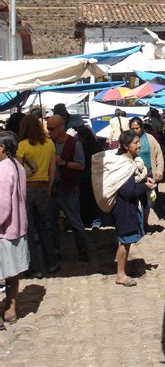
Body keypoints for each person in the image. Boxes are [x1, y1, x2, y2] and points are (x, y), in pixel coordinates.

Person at [113, 130, 156, 287]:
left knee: (127, 240)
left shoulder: (129, 162)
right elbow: (128, 192)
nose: (139, 145)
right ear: (126, 146)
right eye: (135, 143)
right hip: (125, 208)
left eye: (139, 142)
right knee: (125, 240)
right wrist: (145, 186)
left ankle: (123, 269)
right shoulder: (125, 165)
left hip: (127, 207)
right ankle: (120, 274)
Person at [17, 115, 57, 277]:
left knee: (29, 229)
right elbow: (52, 170)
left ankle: (35, 267)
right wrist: (49, 187)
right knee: (44, 227)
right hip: (43, 187)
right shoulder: (49, 144)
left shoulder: (22, 145)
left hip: (27, 188)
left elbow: (19, 172)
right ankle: (52, 263)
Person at [46, 114, 89, 263]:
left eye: (51, 128)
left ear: (61, 127)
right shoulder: (47, 143)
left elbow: (81, 165)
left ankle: (82, 250)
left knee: (75, 221)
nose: (49, 131)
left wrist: (64, 163)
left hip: (68, 187)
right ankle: (55, 252)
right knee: (51, 223)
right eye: (48, 128)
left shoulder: (74, 143)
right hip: (52, 188)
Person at [0, 132, 30, 328]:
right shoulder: (18, 167)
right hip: (18, 227)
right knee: (13, 273)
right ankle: (10, 310)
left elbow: (2, 205)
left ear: (2, 148)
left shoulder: (3, 169)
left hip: (5, 229)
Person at [128, 117, 164, 230]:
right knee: (135, 200)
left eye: (137, 128)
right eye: (132, 128)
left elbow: (159, 156)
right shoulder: (127, 140)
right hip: (134, 176)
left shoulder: (150, 139)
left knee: (148, 202)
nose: (135, 130)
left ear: (142, 127)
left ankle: (144, 223)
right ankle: (136, 224)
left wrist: (159, 171)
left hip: (149, 175)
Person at [76, 126, 103, 229]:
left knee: (87, 199)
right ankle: (93, 220)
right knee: (90, 199)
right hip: (91, 176)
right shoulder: (96, 146)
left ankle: (92, 220)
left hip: (87, 176)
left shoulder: (83, 147)